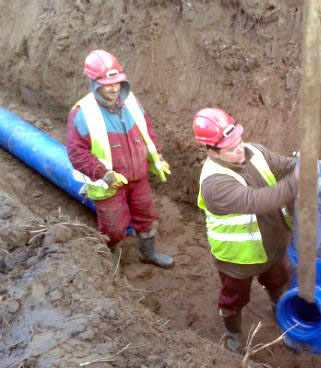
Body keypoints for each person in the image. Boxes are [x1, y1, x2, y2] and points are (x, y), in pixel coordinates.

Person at [192, 107, 298, 353]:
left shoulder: (254, 152)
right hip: (238, 258)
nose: (240, 149)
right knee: (234, 298)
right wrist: (297, 181)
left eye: (239, 141)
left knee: (279, 280)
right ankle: (233, 333)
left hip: (272, 246)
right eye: (231, 148)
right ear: (212, 151)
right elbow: (256, 200)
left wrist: (303, 165)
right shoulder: (214, 183)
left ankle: (278, 308)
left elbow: (284, 166)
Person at [66, 49, 174, 269]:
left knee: (147, 217)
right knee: (114, 227)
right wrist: (104, 175)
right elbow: (77, 153)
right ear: (94, 83)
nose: (115, 88)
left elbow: (147, 131)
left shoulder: (131, 102)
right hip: (109, 183)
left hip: (138, 176)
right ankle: (109, 257)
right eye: (108, 84)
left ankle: (147, 253)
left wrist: (158, 156)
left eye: (117, 82)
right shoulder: (82, 114)